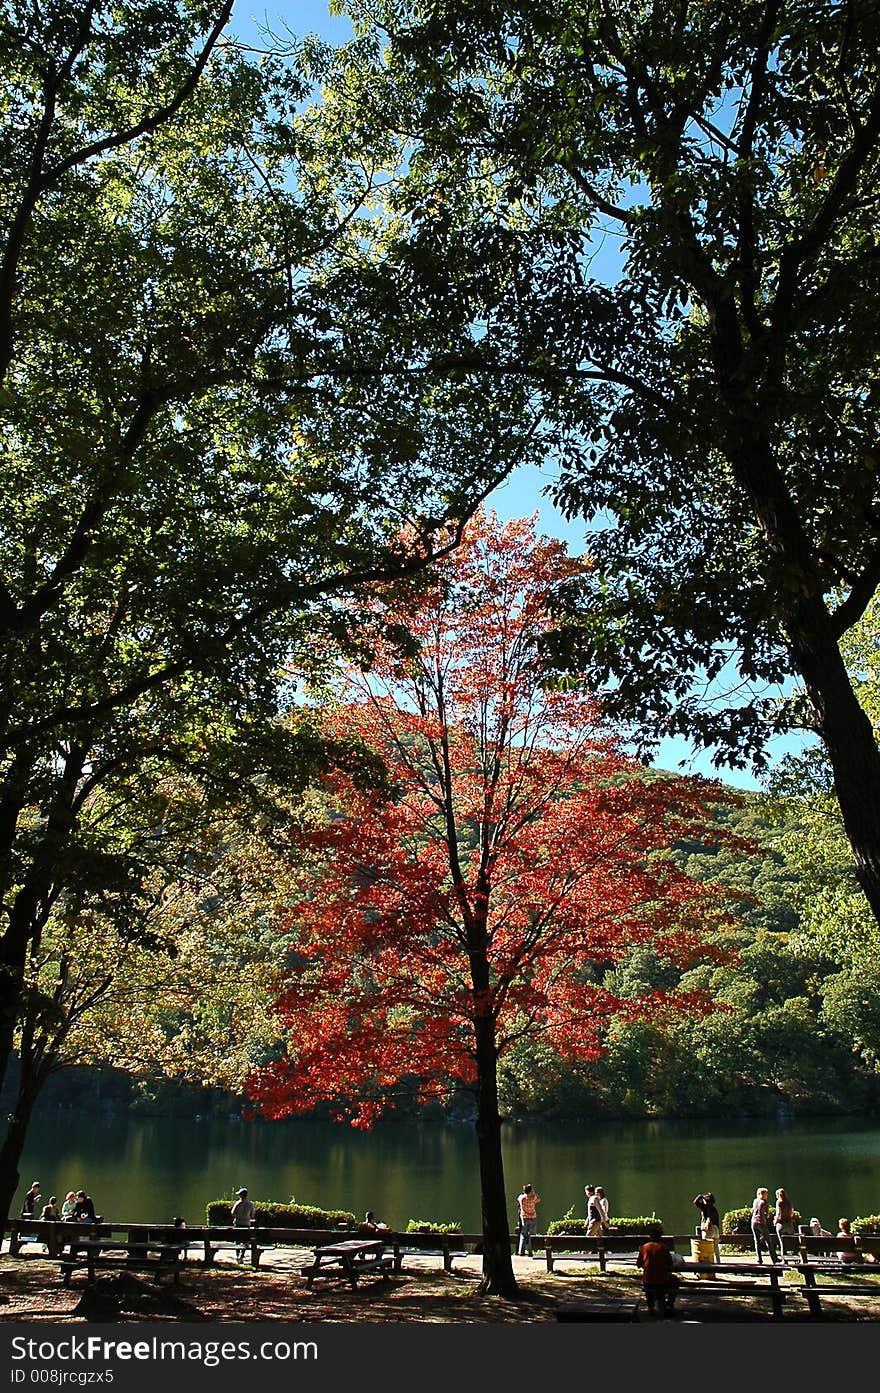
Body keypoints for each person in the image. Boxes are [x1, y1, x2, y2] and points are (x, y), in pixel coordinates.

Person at [637, 1222, 678, 1316]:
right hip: (662, 1281)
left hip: (648, 1282)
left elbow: (639, 1264)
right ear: (660, 1238)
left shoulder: (644, 1248)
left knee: (648, 1279)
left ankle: (651, 1306)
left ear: (650, 1237)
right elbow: (670, 1265)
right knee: (675, 1281)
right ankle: (669, 1304)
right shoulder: (664, 1248)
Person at [750, 1187, 780, 1264]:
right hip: (761, 1222)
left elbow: (753, 1210)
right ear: (764, 1194)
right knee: (768, 1241)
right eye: (766, 1194)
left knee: (756, 1241)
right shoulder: (765, 1202)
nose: (767, 1195)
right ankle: (774, 1258)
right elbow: (766, 1215)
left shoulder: (755, 1201)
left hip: (753, 1222)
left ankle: (759, 1259)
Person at [693, 1192, 721, 1263]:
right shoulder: (714, 1209)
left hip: (709, 1229)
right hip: (716, 1229)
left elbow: (695, 1202)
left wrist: (700, 1196)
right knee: (716, 1248)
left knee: (706, 1248)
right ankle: (718, 1262)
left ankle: (708, 1263)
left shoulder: (704, 1207)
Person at [231, 1186, 256, 1261]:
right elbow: (252, 1215)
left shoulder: (238, 1203)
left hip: (238, 1224)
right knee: (245, 1240)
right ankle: (241, 1255)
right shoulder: (251, 1204)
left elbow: (232, 1213)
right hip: (246, 1224)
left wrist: (238, 1216)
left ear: (241, 1195)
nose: (238, 1196)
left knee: (237, 1240)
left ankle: (238, 1256)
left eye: (239, 1194)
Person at [516, 1183, 541, 1257]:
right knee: (532, 1235)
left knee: (523, 1234)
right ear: (530, 1191)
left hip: (524, 1218)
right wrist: (534, 1193)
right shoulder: (533, 1198)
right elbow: (539, 1199)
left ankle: (521, 1251)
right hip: (533, 1217)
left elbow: (517, 1201)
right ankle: (531, 1251)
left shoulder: (521, 1198)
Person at [774, 1187, 795, 1259]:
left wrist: (775, 1221)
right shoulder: (789, 1202)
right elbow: (792, 1212)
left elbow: (778, 1214)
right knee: (792, 1241)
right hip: (789, 1224)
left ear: (778, 1195)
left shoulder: (779, 1202)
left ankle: (784, 1258)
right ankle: (795, 1256)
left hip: (781, 1224)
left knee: (782, 1242)